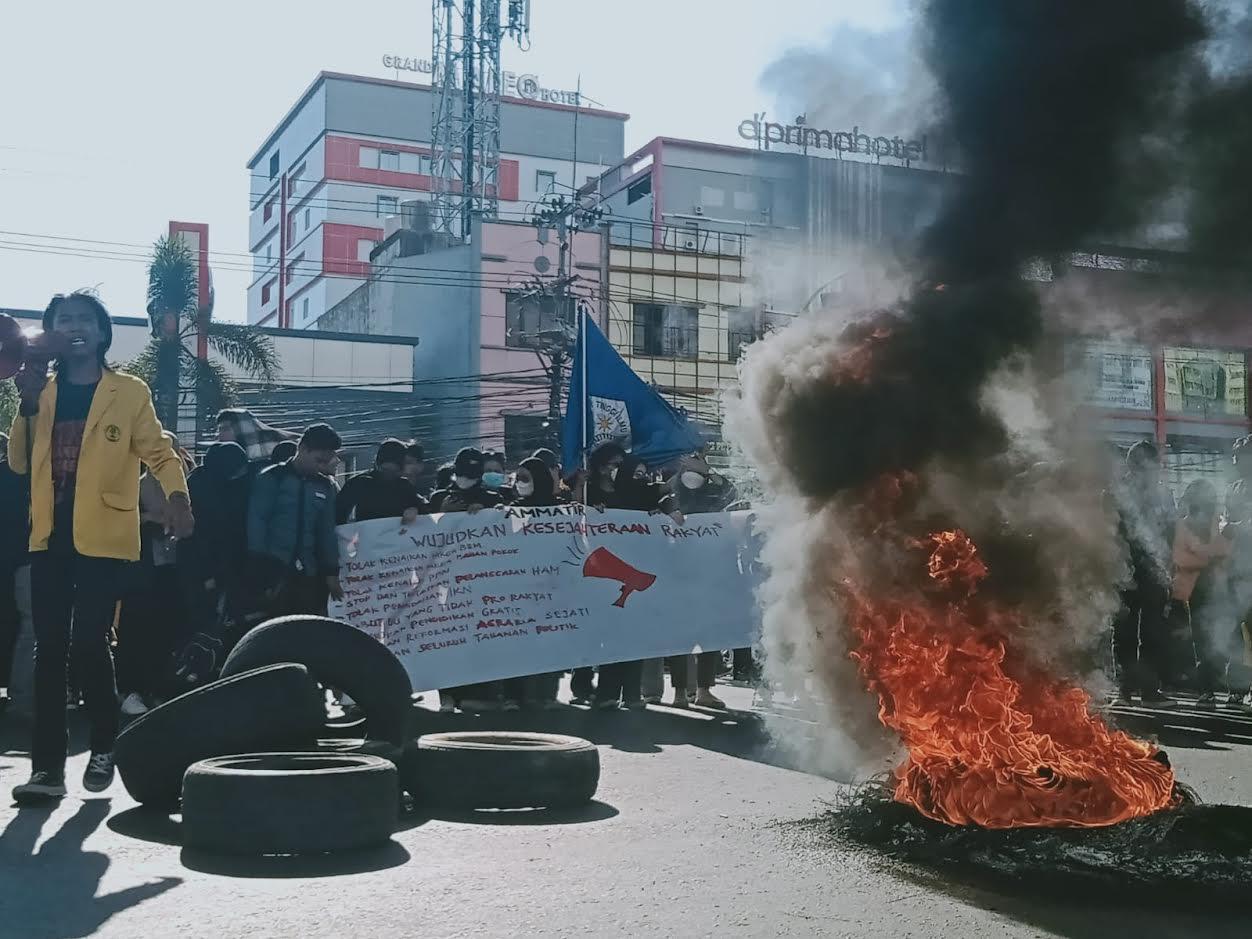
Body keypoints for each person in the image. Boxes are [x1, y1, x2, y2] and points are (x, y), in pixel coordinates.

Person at [9, 291, 193, 804]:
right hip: (48, 536)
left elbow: (159, 451)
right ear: (50, 334)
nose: (74, 327)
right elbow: (21, 463)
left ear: (102, 332)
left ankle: (105, 739)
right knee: (49, 650)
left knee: (89, 641)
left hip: (107, 538)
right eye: (63, 320)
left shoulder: (128, 392)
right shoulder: (39, 392)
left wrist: (178, 498)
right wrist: (24, 404)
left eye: (84, 319)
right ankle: (46, 770)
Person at [586, 446, 683, 711]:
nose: (640, 478)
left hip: (641, 580)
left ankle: (632, 694)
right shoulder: (606, 499)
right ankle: (607, 693)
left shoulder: (647, 498)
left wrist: (669, 510)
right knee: (612, 639)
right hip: (610, 580)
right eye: (635, 473)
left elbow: (666, 496)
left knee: (636, 639)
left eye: (643, 474)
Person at [115, 432, 187, 716]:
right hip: (139, 571)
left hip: (171, 572)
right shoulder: (135, 486)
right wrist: (151, 519)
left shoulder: (182, 490)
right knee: (134, 633)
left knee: (164, 633)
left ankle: (156, 689)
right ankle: (129, 691)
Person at [427, 448, 504, 712]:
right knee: (447, 637)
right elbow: (420, 536)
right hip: (445, 578)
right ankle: (447, 694)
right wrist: (441, 514)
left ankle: (477, 692)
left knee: (479, 637)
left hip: (480, 577)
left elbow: (506, 528)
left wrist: (487, 512)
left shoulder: (492, 497)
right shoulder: (439, 497)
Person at [174, 440, 254, 684]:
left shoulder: (202, 482)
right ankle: (194, 674)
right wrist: (209, 575)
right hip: (202, 570)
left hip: (209, 568)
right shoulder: (205, 493)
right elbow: (205, 537)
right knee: (203, 623)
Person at [247, 423, 343, 618]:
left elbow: (327, 532)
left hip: (309, 575)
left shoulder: (325, 487)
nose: (320, 467)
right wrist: (260, 571)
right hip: (274, 572)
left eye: (325, 462)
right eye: (318, 460)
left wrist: (331, 573)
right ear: (302, 448)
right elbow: (257, 525)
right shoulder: (272, 478)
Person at [1112, 441, 1175, 705]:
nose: (1149, 472)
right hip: (1125, 569)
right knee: (1124, 631)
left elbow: (1170, 531)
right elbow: (1109, 531)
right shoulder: (1116, 493)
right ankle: (1125, 690)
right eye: (1142, 465)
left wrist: (1167, 565)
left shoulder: (1163, 495)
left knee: (1153, 632)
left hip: (1154, 571)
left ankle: (1150, 691)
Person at [501, 458, 563, 710]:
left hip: (552, 586)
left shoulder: (561, 510)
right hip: (518, 588)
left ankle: (547, 694)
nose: (520, 483)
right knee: (515, 643)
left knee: (550, 642)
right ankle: (513, 696)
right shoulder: (509, 509)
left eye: (526, 478)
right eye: (518, 478)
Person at [1172, 479, 1233, 708]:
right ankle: (1205, 690)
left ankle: (1217, 685)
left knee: (1218, 640)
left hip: (1216, 590)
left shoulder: (1218, 526)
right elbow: (1181, 559)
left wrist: (1207, 555)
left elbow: (1226, 553)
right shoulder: (1182, 526)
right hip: (1190, 592)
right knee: (1199, 642)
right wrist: (1209, 556)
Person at [0, 432, 33, 722]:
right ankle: (21, 697)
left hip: (12, 560)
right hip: (24, 559)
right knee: (27, 628)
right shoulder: (24, 480)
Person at [335, 439, 424, 524]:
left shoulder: (405, 486)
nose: (389, 474)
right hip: (366, 536)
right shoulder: (359, 483)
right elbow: (338, 514)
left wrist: (414, 509)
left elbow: (424, 514)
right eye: (385, 469)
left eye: (394, 470)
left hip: (399, 536)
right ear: (378, 464)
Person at [216, 407, 296, 465]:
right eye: (219, 430)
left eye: (225, 429)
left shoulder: (283, 450)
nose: (219, 434)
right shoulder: (220, 455)